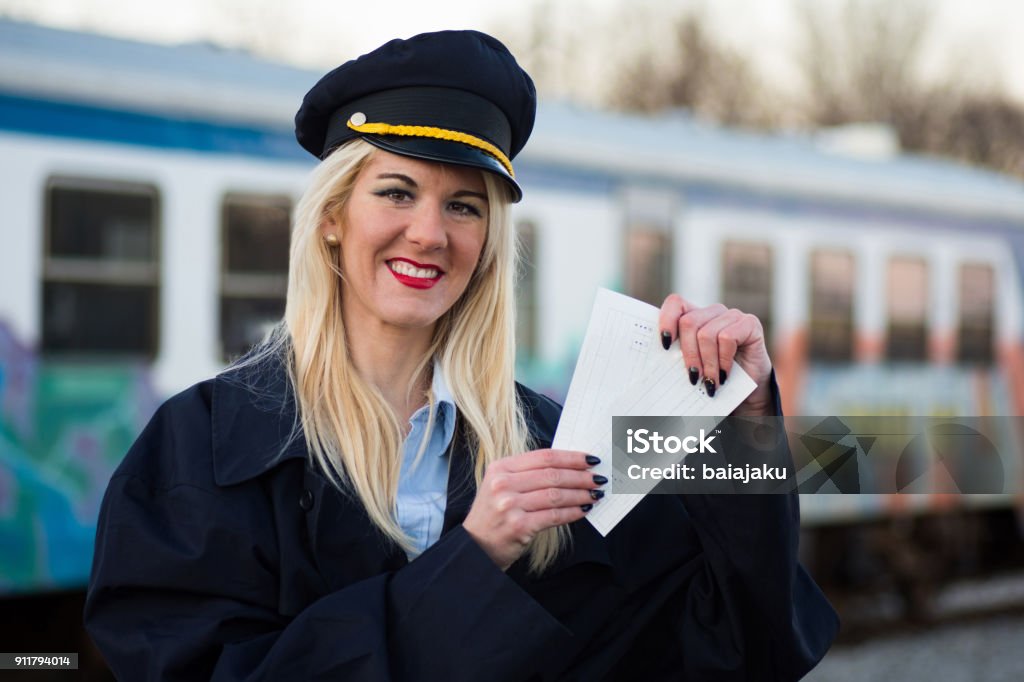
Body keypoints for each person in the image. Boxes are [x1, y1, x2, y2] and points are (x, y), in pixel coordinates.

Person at [84, 30, 838, 681]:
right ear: (333, 220)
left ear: (486, 247)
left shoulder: (561, 449)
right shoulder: (201, 450)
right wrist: (473, 561)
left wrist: (744, 423)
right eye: (397, 191)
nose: (429, 233)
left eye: (463, 205)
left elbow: (739, 648)